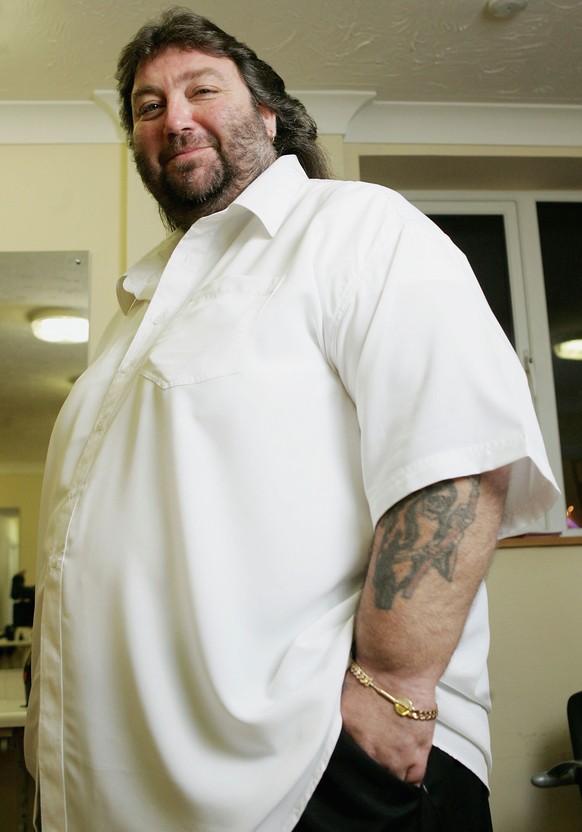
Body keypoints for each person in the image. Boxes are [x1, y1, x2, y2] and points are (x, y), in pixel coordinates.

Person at [25, 7, 559, 832]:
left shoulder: (355, 227)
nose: (175, 116)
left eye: (203, 88)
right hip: (138, 795)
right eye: (147, 105)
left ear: (268, 116)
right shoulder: (134, 314)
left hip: (319, 774)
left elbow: (456, 453)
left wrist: (393, 695)